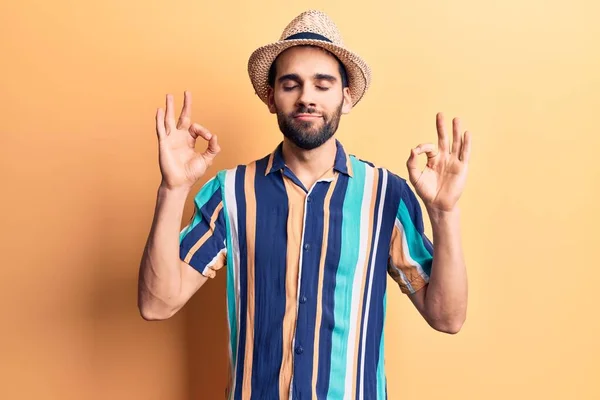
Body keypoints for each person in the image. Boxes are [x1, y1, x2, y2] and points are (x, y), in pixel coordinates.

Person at [137, 9, 471, 400]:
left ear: (346, 98)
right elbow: (156, 304)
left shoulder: (387, 195)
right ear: (270, 98)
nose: (306, 97)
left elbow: (447, 318)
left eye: (322, 84)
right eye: (290, 84)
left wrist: (444, 213)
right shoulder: (229, 193)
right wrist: (172, 190)